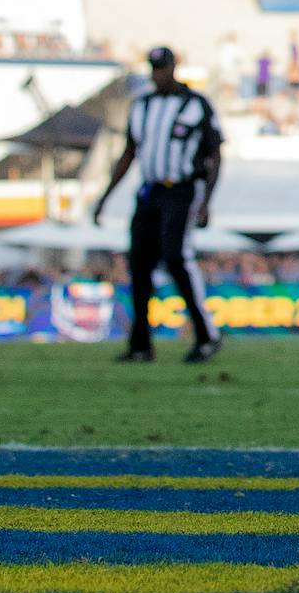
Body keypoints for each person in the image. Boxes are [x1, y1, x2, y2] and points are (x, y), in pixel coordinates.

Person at [94, 47, 223, 364]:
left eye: (162, 68)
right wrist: (105, 197)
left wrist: (206, 201)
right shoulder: (142, 106)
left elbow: (214, 155)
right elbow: (128, 154)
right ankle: (140, 344)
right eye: (153, 68)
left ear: (174, 68)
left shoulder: (196, 104)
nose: (157, 74)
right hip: (149, 191)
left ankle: (206, 335)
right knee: (139, 263)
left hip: (181, 189)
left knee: (177, 257)